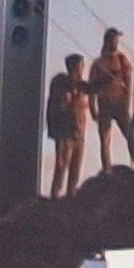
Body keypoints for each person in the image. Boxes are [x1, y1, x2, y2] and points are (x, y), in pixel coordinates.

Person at [87, 29, 134, 174]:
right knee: (105, 141)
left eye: (117, 39)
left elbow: (128, 83)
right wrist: (92, 109)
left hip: (120, 105)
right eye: (114, 39)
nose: (116, 42)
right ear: (108, 41)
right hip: (104, 105)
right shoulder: (98, 63)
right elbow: (91, 88)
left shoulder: (122, 60)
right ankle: (107, 171)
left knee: (130, 136)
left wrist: (127, 104)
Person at [44, 57, 89, 199]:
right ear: (74, 68)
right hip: (65, 133)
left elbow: (93, 88)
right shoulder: (60, 84)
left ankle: (71, 195)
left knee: (75, 168)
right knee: (62, 166)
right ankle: (55, 196)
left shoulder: (81, 86)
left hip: (79, 133)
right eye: (81, 67)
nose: (82, 70)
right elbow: (60, 107)